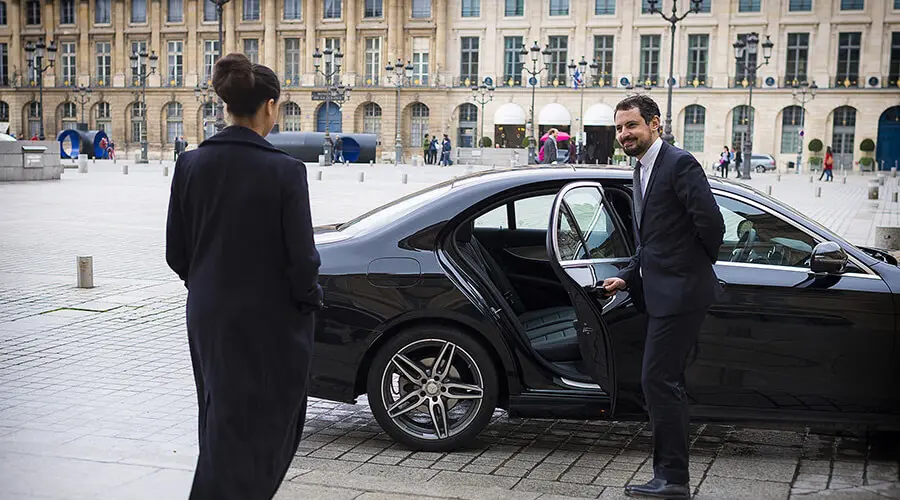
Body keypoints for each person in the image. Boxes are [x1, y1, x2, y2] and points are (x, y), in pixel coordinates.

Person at [165, 52, 322, 500]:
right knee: (266, 425)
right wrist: (308, 299)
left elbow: (176, 250)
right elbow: (302, 258)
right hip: (270, 320)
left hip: (210, 314)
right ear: (269, 106)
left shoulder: (190, 164)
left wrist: (211, 284)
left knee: (221, 416)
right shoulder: (285, 171)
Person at [601, 95, 724, 500]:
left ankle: (672, 480)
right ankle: (671, 476)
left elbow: (712, 224)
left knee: (658, 379)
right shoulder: (640, 170)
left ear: (655, 124)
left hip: (680, 292)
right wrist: (628, 276)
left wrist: (688, 267)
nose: (624, 135)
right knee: (664, 380)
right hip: (659, 290)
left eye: (631, 125)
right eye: (619, 128)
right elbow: (651, 240)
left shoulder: (678, 163)